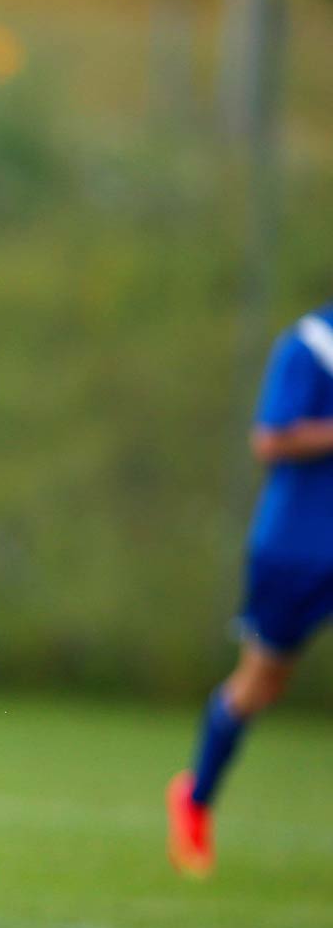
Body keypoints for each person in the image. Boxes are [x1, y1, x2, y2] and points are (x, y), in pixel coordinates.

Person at [170, 304, 333, 876]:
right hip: (296, 549)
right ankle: (195, 799)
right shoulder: (312, 344)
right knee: (263, 683)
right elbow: (270, 438)